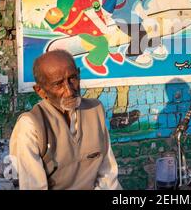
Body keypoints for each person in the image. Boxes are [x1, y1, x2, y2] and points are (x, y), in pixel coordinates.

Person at [9, 50, 121, 190]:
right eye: (58, 84)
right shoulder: (30, 125)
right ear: (40, 91)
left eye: (72, 78)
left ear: (79, 75)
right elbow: (34, 186)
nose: (69, 91)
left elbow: (107, 172)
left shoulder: (95, 110)